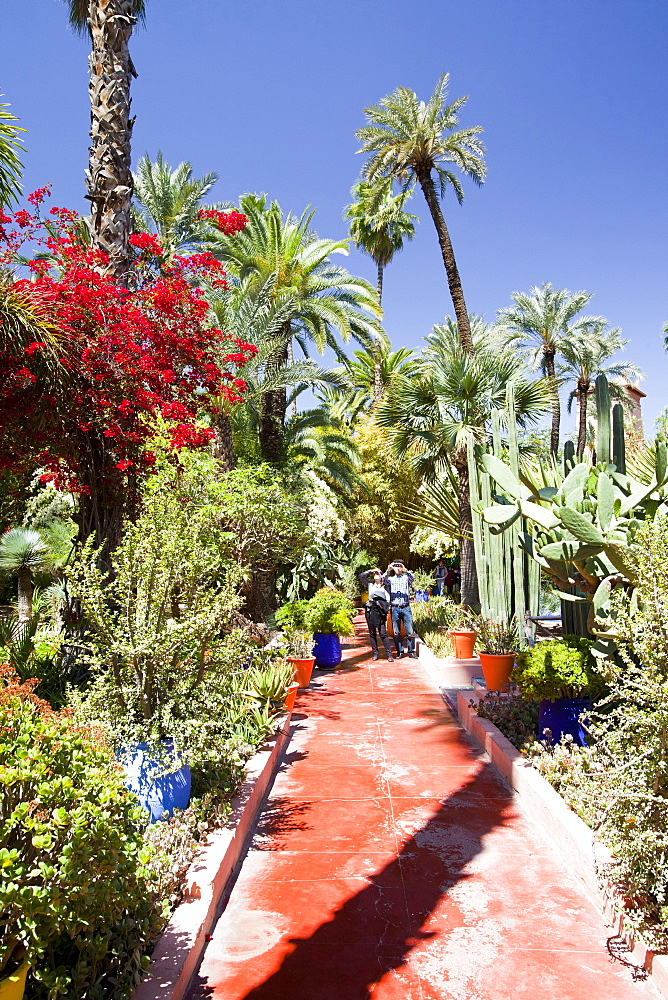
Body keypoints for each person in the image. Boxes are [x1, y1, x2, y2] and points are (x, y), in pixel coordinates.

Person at [382, 559, 417, 658]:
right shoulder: (391, 579)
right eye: (396, 567)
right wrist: (388, 570)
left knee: (410, 631)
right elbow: (383, 580)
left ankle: (411, 651)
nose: (397, 568)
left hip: (406, 607)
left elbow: (413, 578)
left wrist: (406, 570)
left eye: (399, 567)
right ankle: (400, 651)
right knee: (396, 632)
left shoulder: (406, 578)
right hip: (395, 608)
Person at [357, 569, 394, 661]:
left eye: (379, 573)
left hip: (380, 612)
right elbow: (360, 576)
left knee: (383, 633)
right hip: (370, 611)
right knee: (372, 633)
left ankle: (389, 654)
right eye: (375, 574)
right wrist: (371, 571)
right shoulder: (370, 585)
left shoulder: (385, 586)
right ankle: (375, 654)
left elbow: (388, 600)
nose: (377, 574)